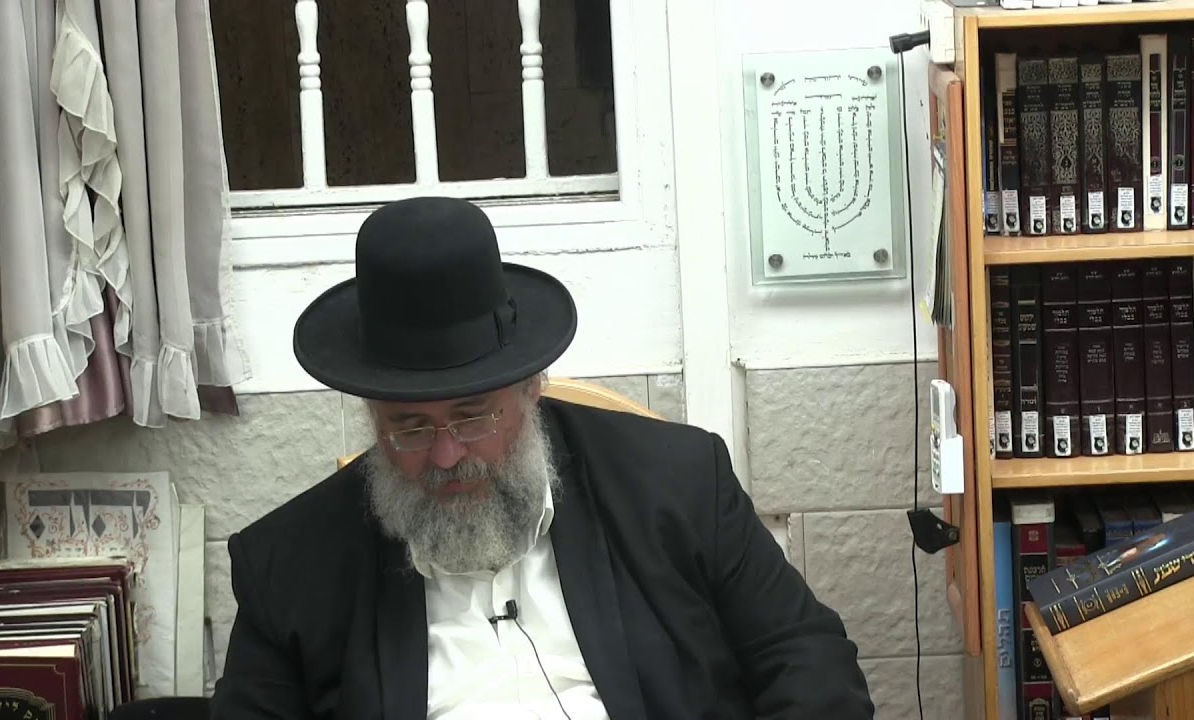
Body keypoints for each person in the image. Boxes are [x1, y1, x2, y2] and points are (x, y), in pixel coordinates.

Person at [210, 197, 875, 719]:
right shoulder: (288, 567)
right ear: (372, 416)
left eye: (473, 416)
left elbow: (809, 660)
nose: (447, 453)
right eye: (409, 427)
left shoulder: (679, 484)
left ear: (531, 389)